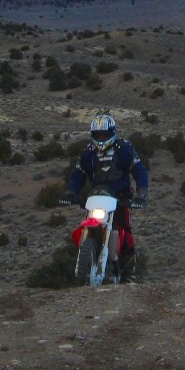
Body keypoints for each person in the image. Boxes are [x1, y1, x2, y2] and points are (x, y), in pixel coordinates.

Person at [60, 113, 149, 283]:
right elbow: (78, 173)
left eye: (105, 134)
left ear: (112, 132)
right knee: (86, 224)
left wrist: (142, 193)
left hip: (121, 198)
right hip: (97, 196)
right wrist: (71, 192)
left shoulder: (123, 149)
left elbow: (139, 170)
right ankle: (84, 267)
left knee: (125, 230)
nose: (101, 138)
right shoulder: (89, 152)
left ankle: (129, 272)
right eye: (98, 135)